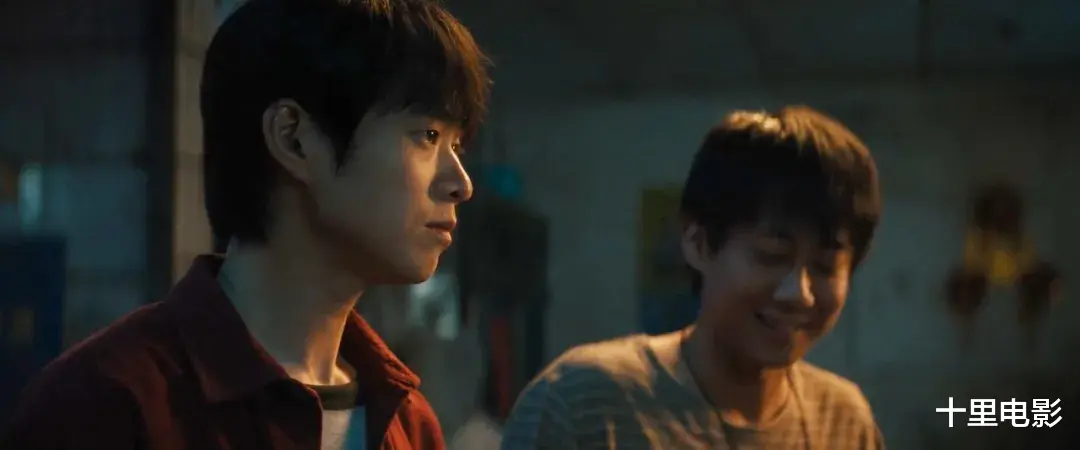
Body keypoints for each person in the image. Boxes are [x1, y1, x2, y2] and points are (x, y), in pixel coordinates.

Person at [2, 0, 490, 448]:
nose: (461, 183)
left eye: (456, 145)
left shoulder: (407, 422)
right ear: (293, 139)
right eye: (427, 136)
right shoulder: (107, 405)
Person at [501, 106, 885, 449]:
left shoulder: (844, 422)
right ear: (698, 243)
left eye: (825, 266)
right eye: (771, 256)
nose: (799, 294)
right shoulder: (581, 405)